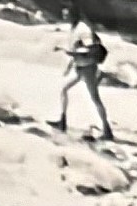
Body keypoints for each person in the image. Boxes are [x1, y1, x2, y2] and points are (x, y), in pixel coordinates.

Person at [48, 10, 113, 141]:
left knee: (95, 99)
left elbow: (87, 50)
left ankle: (107, 130)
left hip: (88, 70)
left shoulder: (84, 32)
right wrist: (70, 65)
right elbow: (77, 51)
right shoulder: (76, 31)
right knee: (65, 90)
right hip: (82, 69)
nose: (64, 16)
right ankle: (62, 121)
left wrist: (66, 52)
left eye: (67, 14)